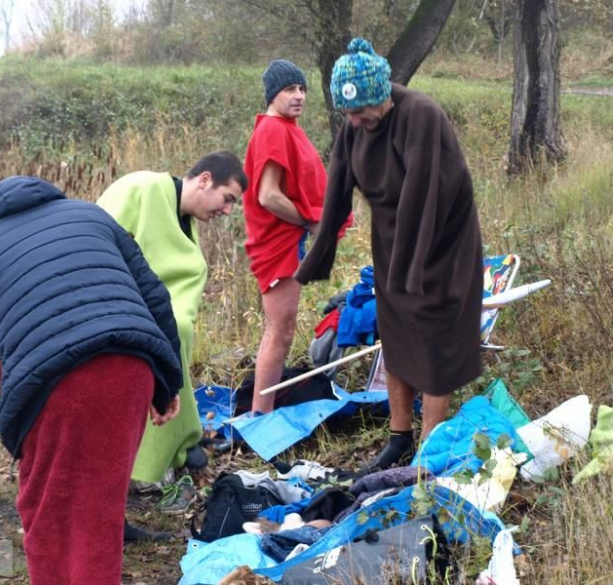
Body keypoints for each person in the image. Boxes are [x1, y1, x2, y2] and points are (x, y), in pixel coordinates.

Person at [0, 176, 183, 584]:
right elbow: (155, 297)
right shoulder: (90, 213)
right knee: (98, 502)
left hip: (51, 385)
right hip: (130, 369)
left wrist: (15, 406)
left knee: (50, 509)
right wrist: (168, 384)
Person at [295, 38, 483, 474]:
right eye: (349, 113)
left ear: (383, 94)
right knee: (394, 332)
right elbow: (338, 187)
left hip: (441, 242)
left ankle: (427, 456)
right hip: (393, 240)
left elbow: (422, 198)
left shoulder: (422, 116)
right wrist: (315, 259)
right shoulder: (355, 125)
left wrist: (407, 274)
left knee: (435, 341)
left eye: (362, 111)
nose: (356, 121)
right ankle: (399, 438)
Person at [97, 151, 247, 486]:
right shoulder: (143, 188)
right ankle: (157, 462)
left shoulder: (186, 223)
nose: (227, 210)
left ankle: (184, 442)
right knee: (171, 333)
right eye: (227, 199)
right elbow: (97, 241)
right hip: (116, 307)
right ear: (205, 180)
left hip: (157, 320)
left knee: (175, 333)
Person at [243, 59, 350, 414]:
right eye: (290, 89)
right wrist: (312, 222)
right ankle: (261, 416)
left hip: (289, 239)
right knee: (281, 331)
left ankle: (263, 410)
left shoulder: (288, 127)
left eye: (302, 89)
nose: (299, 95)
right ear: (273, 94)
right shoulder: (273, 130)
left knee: (282, 329)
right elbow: (268, 195)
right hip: (277, 242)